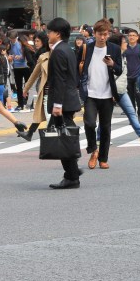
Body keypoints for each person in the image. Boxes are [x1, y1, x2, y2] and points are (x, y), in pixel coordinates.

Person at [80, 19, 122, 169]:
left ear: (108, 34)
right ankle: (93, 150)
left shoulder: (114, 49)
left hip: (107, 93)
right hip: (90, 93)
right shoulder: (86, 48)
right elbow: (79, 69)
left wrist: (113, 65)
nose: (102, 37)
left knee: (105, 127)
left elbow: (119, 70)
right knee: (90, 123)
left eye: (105, 34)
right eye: (99, 34)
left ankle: (103, 158)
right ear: (95, 33)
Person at [46, 17, 82, 189]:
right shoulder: (67, 48)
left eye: (50, 32)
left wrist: (57, 105)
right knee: (65, 136)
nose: (48, 34)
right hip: (69, 99)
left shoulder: (59, 51)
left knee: (63, 138)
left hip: (63, 102)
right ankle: (73, 171)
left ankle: (72, 176)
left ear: (57, 33)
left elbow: (60, 80)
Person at [19, 32, 51, 140]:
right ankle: (30, 133)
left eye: (38, 41)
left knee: (47, 114)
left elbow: (34, 74)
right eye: (35, 41)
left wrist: (26, 88)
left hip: (51, 90)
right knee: (41, 112)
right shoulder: (41, 55)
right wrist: (26, 88)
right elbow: (34, 74)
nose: (35, 43)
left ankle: (31, 133)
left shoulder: (47, 54)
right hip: (44, 89)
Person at [124, 29, 140, 124]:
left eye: (134, 35)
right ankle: (132, 116)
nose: (132, 37)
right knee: (130, 97)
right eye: (130, 35)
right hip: (127, 76)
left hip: (138, 76)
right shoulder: (124, 48)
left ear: (137, 37)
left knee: (138, 96)